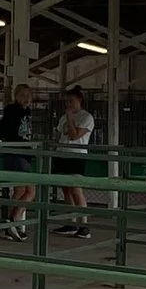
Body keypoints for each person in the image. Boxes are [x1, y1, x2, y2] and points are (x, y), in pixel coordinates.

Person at [0, 81, 36, 240]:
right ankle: (13, 220)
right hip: (17, 154)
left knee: (19, 190)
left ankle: (10, 224)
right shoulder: (13, 111)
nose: (26, 98)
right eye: (22, 95)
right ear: (16, 97)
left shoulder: (26, 112)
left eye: (28, 95)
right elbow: (4, 127)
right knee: (31, 190)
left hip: (22, 154)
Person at [52, 87, 97, 237]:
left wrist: (70, 118)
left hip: (76, 155)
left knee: (76, 189)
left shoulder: (87, 117)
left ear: (79, 101)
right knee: (66, 190)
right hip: (62, 154)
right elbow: (59, 135)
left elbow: (74, 136)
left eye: (71, 101)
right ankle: (70, 222)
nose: (68, 104)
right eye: (67, 102)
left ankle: (83, 224)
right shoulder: (63, 117)